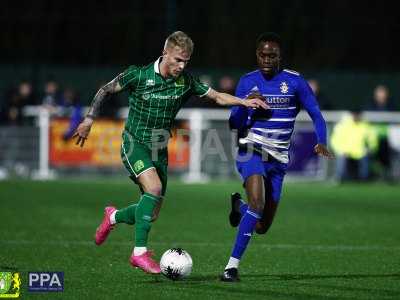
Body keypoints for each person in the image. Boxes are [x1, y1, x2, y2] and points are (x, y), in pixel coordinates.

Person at [73, 31, 267, 275]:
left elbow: (216, 96)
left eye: (186, 61)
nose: (181, 66)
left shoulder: (185, 81)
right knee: (153, 189)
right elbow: (106, 90)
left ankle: (113, 217)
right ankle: (139, 254)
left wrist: (243, 102)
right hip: (134, 143)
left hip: (159, 148)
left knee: (150, 213)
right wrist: (90, 119)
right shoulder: (139, 74)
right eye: (177, 60)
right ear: (165, 53)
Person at [220, 32, 333, 282]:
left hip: (278, 159)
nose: (267, 59)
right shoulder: (247, 81)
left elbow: (315, 113)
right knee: (258, 204)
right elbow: (234, 124)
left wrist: (321, 141)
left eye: (272, 55)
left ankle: (239, 205)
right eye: (263, 54)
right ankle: (231, 268)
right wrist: (244, 103)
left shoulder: (294, 81)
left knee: (261, 226)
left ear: (280, 56)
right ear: (256, 55)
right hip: (251, 150)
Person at [331, 111, 378, 182]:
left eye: (357, 114)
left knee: (366, 157)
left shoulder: (366, 126)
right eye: (354, 114)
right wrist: (340, 150)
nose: (356, 116)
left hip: (361, 153)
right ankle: (340, 178)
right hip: (346, 152)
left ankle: (364, 179)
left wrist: (370, 149)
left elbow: (373, 141)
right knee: (341, 157)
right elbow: (335, 141)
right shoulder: (342, 125)